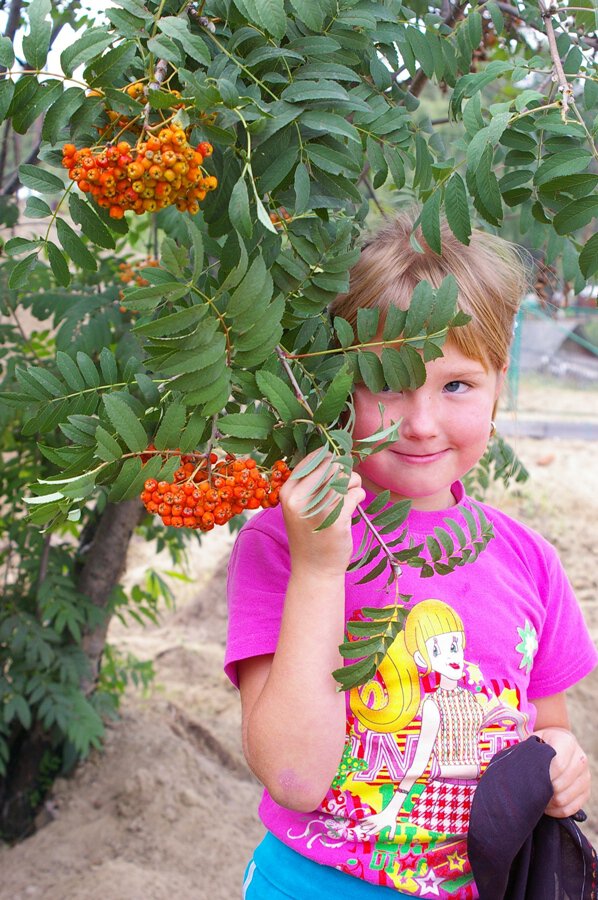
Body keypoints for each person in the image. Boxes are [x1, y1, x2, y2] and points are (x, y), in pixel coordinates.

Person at [225, 213, 597, 899]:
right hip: (316, 884)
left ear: (496, 386)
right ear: (340, 387)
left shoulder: (532, 563)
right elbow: (297, 780)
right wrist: (318, 568)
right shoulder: (284, 542)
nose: (421, 423)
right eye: (389, 383)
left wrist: (565, 765)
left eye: (456, 385)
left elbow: (548, 733)